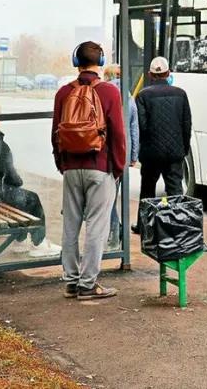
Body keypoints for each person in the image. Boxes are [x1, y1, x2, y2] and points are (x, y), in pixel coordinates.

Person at [52, 42, 126, 301]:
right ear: (102, 61)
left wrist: (62, 164)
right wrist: (117, 168)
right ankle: (88, 284)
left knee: (70, 226)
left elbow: (55, 133)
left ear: (76, 61)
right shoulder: (109, 92)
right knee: (97, 226)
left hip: (71, 168)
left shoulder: (63, 93)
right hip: (100, 167)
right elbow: (118, 134)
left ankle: (71, 281)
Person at [0, 101, 60, 257]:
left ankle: (21, 239)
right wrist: (18, 182)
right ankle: (39, 243)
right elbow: (9, 174)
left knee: (20, 196)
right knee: (31, 198)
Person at [133, 56, 192, 233]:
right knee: (175, 190)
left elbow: (140, 126)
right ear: (168, 73)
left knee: (148, 191)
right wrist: (183, 148)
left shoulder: (143, 96)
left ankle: (144, 226)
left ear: (150, 75)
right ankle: (178, 225)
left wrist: (141, 151)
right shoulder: (180, 94)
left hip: (151, 154)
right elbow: (186, 124)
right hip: (175, 153)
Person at [102, 64, 139, 248]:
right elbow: (134, 129)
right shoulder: (129, 97)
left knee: (107, 198)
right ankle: (117, 232)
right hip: (123, 155)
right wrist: (133, 156)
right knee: (114, 196)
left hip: (107, 155)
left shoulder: (105, 95)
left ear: (107, 76)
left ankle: (115, 233)